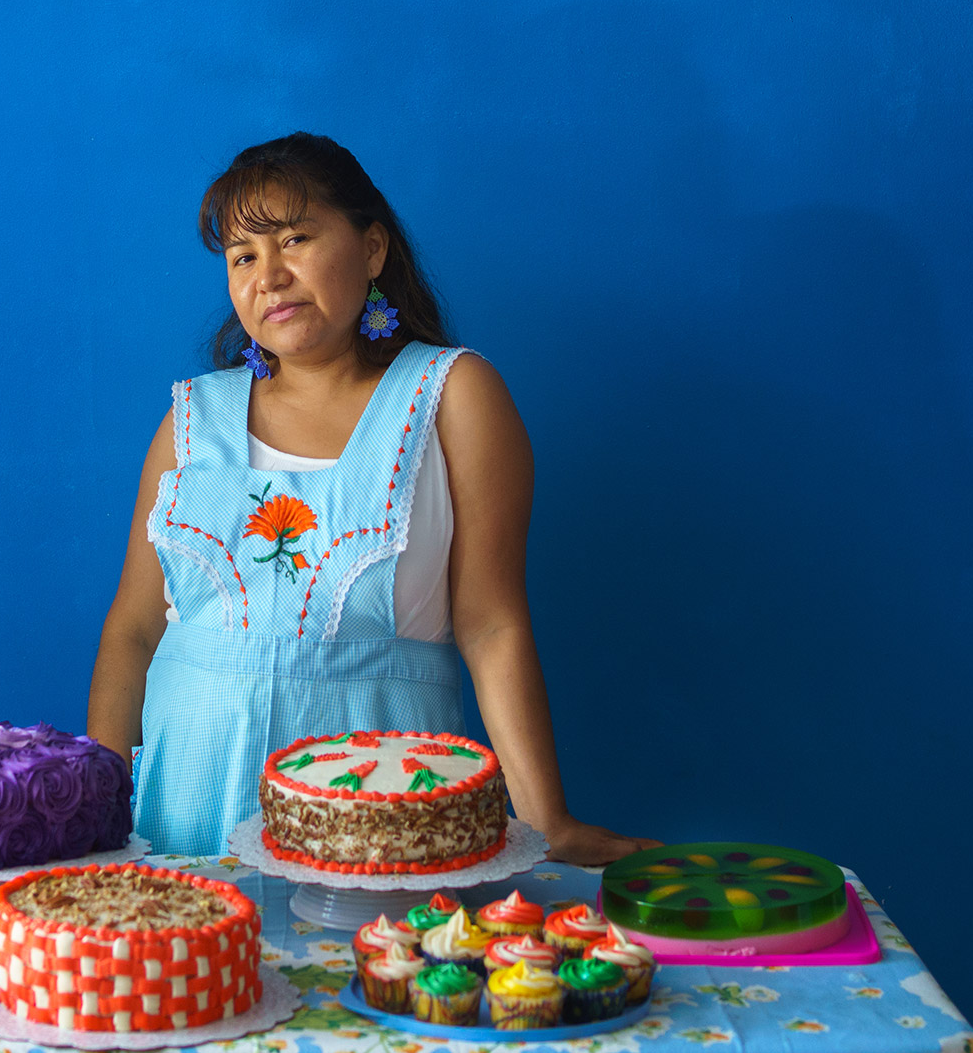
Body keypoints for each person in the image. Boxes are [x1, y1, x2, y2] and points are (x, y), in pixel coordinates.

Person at [87, 133, 654, 866]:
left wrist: (548, 818)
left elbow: (490, 622)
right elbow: (133, 629)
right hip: (183, 809)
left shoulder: (453, 397)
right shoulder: (190, 419)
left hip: (383, 813)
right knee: (200, 978)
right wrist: (97, 812)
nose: (271, 275)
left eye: (296, 237)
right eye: (243, 256)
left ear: (374, 247)